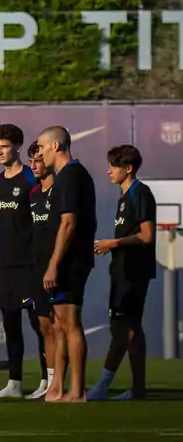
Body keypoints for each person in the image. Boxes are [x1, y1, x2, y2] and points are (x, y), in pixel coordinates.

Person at [88, 144, 156, 401]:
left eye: (113, 166)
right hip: (123, 270)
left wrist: (113, 244)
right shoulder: (124, 197)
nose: (108, 171)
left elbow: (148, 235)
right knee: (131, 328)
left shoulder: (141, 193)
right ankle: (138, 389)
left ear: (128, 169)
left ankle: (102, 386)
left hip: (133, 272)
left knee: (123, 329)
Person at [38, 126, 97, 404]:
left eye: (42, 146)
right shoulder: (65, 177)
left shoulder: (72, 176)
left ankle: (77, 390)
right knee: (59, 324)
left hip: (71, 262)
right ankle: (58, 388)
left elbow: (69, 223)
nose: (39, 153)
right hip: (65, 260)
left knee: (70, 324)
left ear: (57, 146)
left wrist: (53, 264)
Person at [0, 123, 47, 399]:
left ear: (18, 147)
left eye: (4, 146)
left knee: (40, 324)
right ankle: (14, 382)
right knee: (10, 324)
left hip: (31, 263)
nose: (0, 151)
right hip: (5, 263)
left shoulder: (31, 179)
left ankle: (48, 380)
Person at [27, 142, 57, 400]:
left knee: (63, 326)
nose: (35, 165)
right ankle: (49, 382)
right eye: (32, 161)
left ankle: (65, 381)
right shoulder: (34, 194)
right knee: (44, 325)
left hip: (57, 268)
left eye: (38, 159)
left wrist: (55, 265)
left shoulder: (60, 191)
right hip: (37, 269)